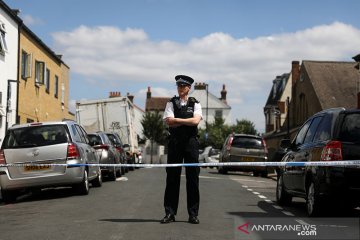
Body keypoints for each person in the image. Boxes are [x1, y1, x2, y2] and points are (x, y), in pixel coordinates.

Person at [161, 75, 202, 224]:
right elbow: (169, 123)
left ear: (189, 88)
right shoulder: (171, 103)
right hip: (175, 143)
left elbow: (196, 121)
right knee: (172, 179)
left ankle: (193, 214)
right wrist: (187, 122)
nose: (181, 88)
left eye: (184, 86)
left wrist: (178, 121)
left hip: (191, 144)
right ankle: (170, 213)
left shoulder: (196, 104)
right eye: (178, 86)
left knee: (193, 180)